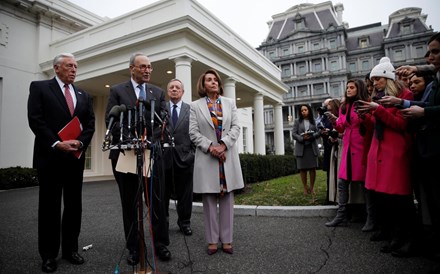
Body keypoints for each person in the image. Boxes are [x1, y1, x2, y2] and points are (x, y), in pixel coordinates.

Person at [27, 53, 95, 273]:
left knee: (74, 207)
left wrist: (80, 143)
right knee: (49, 208)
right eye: (69, 66)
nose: (74, 69)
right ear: (56, 68)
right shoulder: (39, 88)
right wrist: (57, 143)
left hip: (75, 159)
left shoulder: (83, 94)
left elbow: (90, 124)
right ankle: (48, 255)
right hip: (50, 158)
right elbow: (35, 120)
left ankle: (70, 250)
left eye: (76, 66)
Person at [105, 53, 171, 264]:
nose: (147, 70)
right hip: (126, 155)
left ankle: (161, 245)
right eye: (143, 66)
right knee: (130, 204)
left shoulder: (158, 92)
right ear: (132, 68)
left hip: (152, 154)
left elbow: (164, 122)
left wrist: (148, 139)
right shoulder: (117, 91)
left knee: (157, 203)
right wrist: (132, 138)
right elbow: (112, 120)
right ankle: (134, 248)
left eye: (150, 67)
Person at [356, 56, 416, 254]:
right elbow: (376, 126)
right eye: (373, 80)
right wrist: (366, 116)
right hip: (380, 151)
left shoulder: (404, 95)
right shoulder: (379, 98)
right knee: (386, 200)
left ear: (388, 78)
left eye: (378, 79)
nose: (375, 83)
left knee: (400, 200)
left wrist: (378, 110)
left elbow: (401, 124)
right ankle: (394, 236)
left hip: (395, 152)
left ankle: (407, 239)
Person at [394, 32, 440, 262]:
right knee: (427, 202)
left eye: (435, 52)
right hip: (424, 152)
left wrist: (422, 112)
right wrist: (402, 103)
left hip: (432, 150)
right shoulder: (435, 82)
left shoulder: (434, 84)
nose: (430, 57)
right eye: (429, 52)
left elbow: (425, 108)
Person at [189, 69, 244, 255]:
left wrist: (223, 145)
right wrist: (211, 148)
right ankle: (212, 240)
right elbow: (193, 133)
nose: (212, 82)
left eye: (215, 80)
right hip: (207, 158)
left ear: (219, 84)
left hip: (227, 156)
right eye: (208, 80)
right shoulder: (195, 106)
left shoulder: (229, 103)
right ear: (203, 85)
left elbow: (236, 127)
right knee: (210, 199)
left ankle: (227, 240)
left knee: (227, 198)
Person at [325, 79, 374, 231]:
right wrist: (334, 121)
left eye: (352, 87)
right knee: (342, 182)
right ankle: (341, 216)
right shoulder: (345, 106)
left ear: (358, 89)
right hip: (347, 148)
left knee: (365, 185)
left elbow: (371, 124)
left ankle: (371, 218)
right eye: (347, 87)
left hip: (361, 147)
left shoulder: (366, 103)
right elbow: (341, 127)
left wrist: (363, 115)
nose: (348, 89)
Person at [163, 79, 195, 236]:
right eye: (171, 87)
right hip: (165, 158)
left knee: (185, 193)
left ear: (182, 92)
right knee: (163, 192)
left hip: (185, 158)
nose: (174, 89)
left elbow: (196, 133)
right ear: (168, 91)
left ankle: (184, 222)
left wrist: (192, 155)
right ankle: (164, 223)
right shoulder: (161, 109)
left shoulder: (191, 110)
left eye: (177, 87)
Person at [292, 104, 320, 196]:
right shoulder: (297, 121)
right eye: (302, 110)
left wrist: (312, 136)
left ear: (309, 110)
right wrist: (302, 138)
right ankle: (305, 187)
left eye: (305, 110)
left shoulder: (314, 121)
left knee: (313, 169)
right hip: (301, 148)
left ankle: (312, 188)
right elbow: (294, 134)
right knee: (302, 169)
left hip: (311, 147)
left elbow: (318, 132)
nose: (303, 111)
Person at [324, 99, 342, 204]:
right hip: (333, 148)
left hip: (341, 148)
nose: (328, 109)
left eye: (330, 108)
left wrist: (335, 134)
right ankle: (333, 197)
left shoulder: (340, 118)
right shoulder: (327, 118)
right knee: (332, 174)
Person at [317, 99, 333, 204]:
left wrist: (330, 132)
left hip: (334, 147)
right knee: (328, 174)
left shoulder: (334, 116)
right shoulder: (323, 118)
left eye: (327, 105)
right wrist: (322, 131)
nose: (325, 107)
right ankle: (329, 196)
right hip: (327, 147)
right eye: (325, 105)